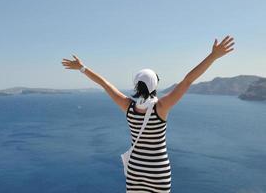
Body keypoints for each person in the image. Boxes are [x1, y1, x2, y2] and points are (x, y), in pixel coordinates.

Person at [61, 35, 235, 193]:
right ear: (155, 85)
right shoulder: (161, 107)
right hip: (158, 173)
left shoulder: (127, 106)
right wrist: (213, 56)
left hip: (135, 170)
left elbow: (105, 84)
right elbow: (188, 80)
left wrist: (82, 68)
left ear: (136, 85)